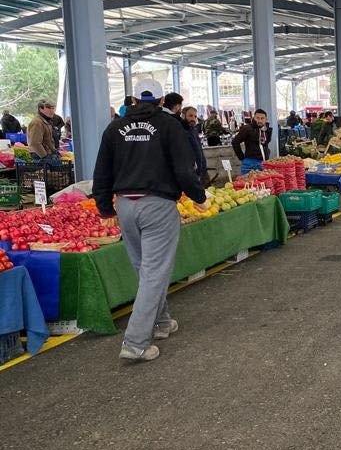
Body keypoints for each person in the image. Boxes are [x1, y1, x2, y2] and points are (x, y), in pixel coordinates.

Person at [93, 85, 208, 362]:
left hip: (125, 206)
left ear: (133, 100)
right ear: (160, 100)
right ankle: (135, 342)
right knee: (155, 273)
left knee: (144, 269)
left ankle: (161, 322)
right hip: (157, 204)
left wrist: (105, 206)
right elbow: (184, 167)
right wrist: (198, 195)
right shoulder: (169, 126)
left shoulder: (114, 128)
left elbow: (102, 170)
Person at [232, 108, 273, 174]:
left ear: (266, 119)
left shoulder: (266, 130)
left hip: (264, 163)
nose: (260, 120)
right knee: (248, 183)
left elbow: (265, 144)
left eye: (262, 118)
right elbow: (235, 142)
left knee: (263, 183)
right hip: (250, 164)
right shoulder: (247, 129)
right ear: (254, 118)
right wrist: (242, 158)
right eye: (257, 118)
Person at [27, 99, 62, 167]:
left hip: (46, 154)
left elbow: (47, 140)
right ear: (41, 109)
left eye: (53, 108)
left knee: (58, 175)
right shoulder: (37, 122)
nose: (52, 110)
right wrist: (45, 156)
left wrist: (54, 151)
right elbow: (35, 143)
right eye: (48, 108)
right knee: (50, 176)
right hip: (39, 156)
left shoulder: (46, 121)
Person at [181, 106, 209, 185]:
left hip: (198, 171)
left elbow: (198, 151)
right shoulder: (181, 131)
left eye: (195, 116)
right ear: (183, 116)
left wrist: (202, 169)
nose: (193, 119)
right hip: (188, 172)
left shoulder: (193, 130)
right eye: (190, 116)